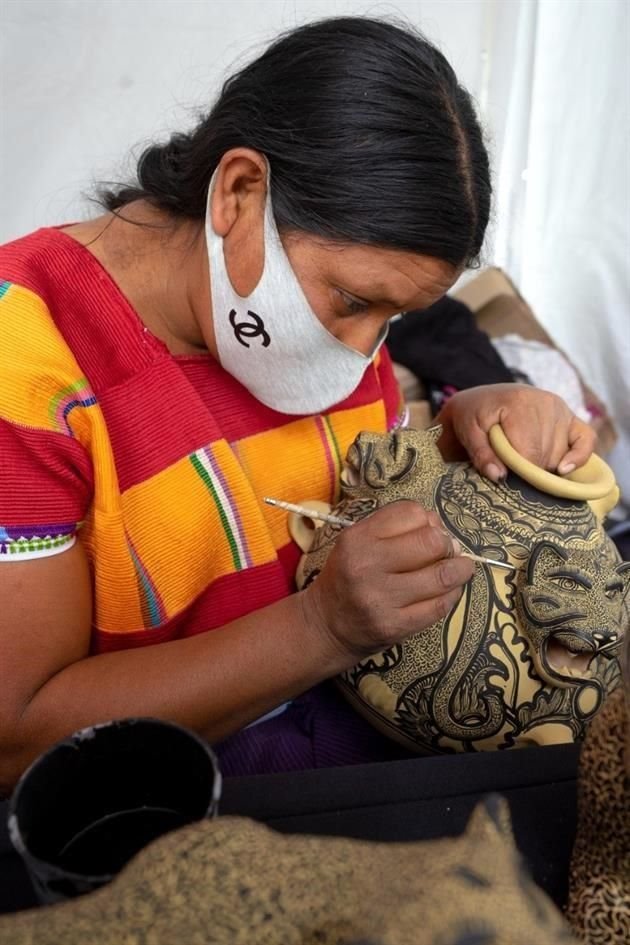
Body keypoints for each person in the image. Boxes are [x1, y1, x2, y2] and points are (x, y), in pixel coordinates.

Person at [0, 16, 595, 791]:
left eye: (395, 320)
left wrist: (465, 424)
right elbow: (16, 737)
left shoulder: (303, 323)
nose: (362, 351)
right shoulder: (27, 364)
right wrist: (320, 628)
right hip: (171, 818)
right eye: (352, 300)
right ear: (239, 192)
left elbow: (336, 501)